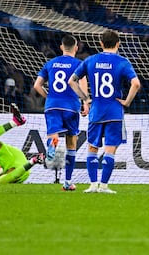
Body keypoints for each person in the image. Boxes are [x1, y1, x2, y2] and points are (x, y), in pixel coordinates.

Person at [69, 30, 141, 194]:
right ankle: (104, 186)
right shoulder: (122, 62)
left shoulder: (90, 60)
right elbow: (136, 84)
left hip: (96, 111)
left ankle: (93, 185)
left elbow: (71, 81)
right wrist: (127, 102)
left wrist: (85, 98)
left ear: (101, 44)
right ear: (118, 44)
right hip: (114, 112)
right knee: (110, 149)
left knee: (92, 148)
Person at [34, 35, 89, 191]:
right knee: (71, 143)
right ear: (76, 48)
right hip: (71, 106)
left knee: (53, 133)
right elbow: (83, 83)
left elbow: (37, 85)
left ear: (61, 47)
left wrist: (49, 97)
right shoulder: (79, 64)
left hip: (52, 105)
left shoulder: (50, 63)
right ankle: (67, 181)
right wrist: (85, 101)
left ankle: (52, 144)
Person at [0, 103, 44, 184]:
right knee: (0, 181)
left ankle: (15, 122)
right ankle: (33, 161)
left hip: (6, 155)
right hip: (16, 170)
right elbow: (0, 173)